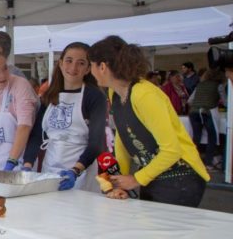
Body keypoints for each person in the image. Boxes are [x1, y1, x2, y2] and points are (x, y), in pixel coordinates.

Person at [89, 35, 208, 207]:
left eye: (91, 65)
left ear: (102, 66)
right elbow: (122, 137)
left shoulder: (145, 95)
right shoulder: (114, 93)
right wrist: (117, 182)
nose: (90, 72)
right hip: (152, 177)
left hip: (181, 178)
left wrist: (135, 179)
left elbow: (171, 150)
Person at [22, 42, 106, 191]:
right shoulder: (49, 95)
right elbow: (37, 135)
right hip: (50, 167)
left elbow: (96, 143)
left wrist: (75, 171)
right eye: (69, 61)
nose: (73, 68)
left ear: (88, 69)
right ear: (60, 64)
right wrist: (27, 164)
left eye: (81, 63)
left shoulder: (94, 97)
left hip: (81, 171)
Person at [0, 46, 38, 171]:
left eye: (5, 69)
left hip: (16, 162)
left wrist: (11, 161)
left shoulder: (20, 85)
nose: (2, 75)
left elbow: (24, 126)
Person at [187, 66, 225, 171]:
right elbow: (225, 102)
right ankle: (208, 163)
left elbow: (190, 100)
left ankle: (192, 162)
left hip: (194, 112)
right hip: (208, 112)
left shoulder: (200, 85)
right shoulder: (219, 86)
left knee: (196, 138)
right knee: (211, 138)